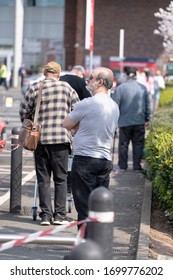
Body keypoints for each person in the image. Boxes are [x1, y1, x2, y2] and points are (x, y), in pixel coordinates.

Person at [19, 61, 79, 226]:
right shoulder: (67, 88)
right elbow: (77, 110)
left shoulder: (34, 87)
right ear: (58, 74)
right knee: (61, 178)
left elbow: (24, 111)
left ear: (45, 73)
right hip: (61, 139)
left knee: (43, 178)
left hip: (41, 139)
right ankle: (59, 215)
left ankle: (45, 215)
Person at [63, 66, 119, 225]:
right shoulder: (114, 106)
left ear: (100, 82)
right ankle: (98, 241)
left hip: (84, 160)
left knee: (83, 207)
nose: (87, 79)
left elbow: (66, 123)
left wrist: (78, 126)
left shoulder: (87, 103)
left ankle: (85, 244)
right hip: (104, 160)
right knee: (99, 206)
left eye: (91, 77)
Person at [112, 67, 151, 173]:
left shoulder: (120, 88)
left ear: (126, 75)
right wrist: (147, 118)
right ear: (136, 74)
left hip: (124, 122)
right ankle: (137, 166)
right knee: (138, 144)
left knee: (123, 145)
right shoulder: (143, 88)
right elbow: (148, 105)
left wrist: (114, 121)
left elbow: (114, 105)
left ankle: (122, 166)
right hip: (139, 120)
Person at [60, 65, 91, 194]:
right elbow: (88, 101)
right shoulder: (80, 82)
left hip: (58, 123)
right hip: (75, 123)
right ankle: (70, 184)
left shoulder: (60, 79)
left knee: (62, 157)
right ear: (81, 74)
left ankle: (64, 184)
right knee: (74, 155)